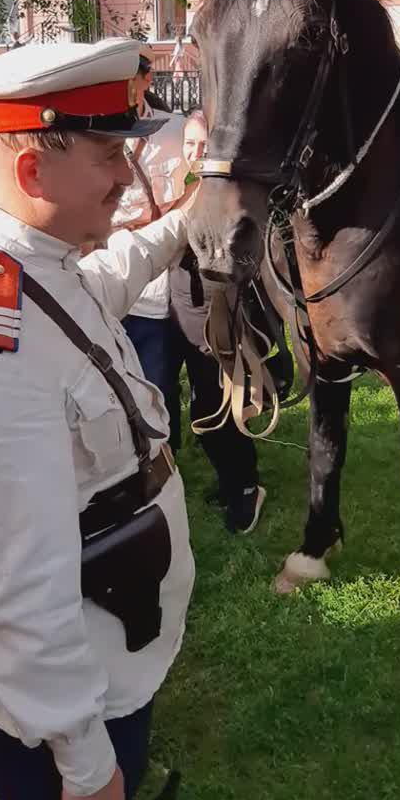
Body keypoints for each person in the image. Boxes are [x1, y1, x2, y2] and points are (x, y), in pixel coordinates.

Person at [0, 38, 195, 800]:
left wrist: (185, 220)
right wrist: (88, 765)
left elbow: (100, 288)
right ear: (33, 172)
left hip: (108, 647)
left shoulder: (32, 264)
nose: (126, 174)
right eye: (109, 155)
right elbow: (18, 585)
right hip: (71, 697)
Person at [168, 112, 265, 534]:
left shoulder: (226, 193)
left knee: (219, 408)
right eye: (189, 144)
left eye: (203, 145)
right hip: (178, 309)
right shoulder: (181, 183)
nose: (195, 153)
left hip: (214, 313)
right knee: (201, 409)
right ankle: (230, 481)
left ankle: (246, 486)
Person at [111, 47, 187, 412]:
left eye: (129, 78)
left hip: (155, 277)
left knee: (157, 381)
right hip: (101, 268)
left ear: (146, 79)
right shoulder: (88, 131)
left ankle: (162, 441)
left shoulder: (176, 131)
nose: (121, 88)